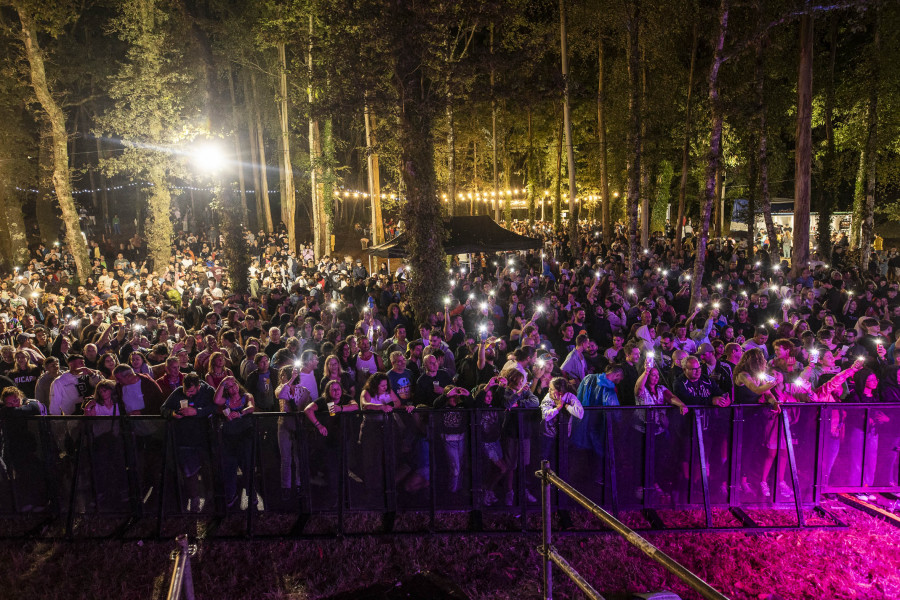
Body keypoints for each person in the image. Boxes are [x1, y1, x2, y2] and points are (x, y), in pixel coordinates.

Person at [160, 373, 217, 512]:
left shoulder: (208, 391)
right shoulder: (179, 392)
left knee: (207, 470)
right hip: (185, 439)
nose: (188, 394)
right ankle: (194, 499)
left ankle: (210, 498)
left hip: (204, 438)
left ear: (198, 386)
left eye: (191, 391)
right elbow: (163, 409)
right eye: (186, 391)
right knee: (189, 472)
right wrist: (173, 414)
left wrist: (196, 412)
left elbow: (214, 407)